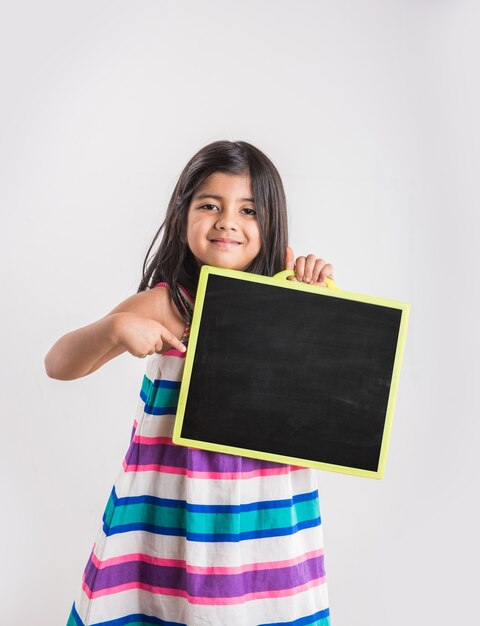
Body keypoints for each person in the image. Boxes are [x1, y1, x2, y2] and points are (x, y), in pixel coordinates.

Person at [45, 140, 335, 626]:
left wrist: (319, 307)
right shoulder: (166, 305)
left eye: (248, 210)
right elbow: (58, 363)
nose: (227, 222)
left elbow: (331, 403)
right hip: (170, 517)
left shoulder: (292, 302)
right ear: (183, 216)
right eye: (209, 205)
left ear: (272, 224)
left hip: (265, 524)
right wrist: (114, 329)